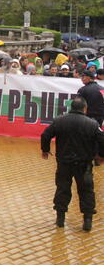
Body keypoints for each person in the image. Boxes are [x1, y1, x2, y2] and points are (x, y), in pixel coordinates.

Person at [41, 97, 104, 231]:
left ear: (71, 107)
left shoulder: (59, 120)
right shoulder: (92, 124)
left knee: (62, 188)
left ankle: (60, 219)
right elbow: (102, 139)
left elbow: (45, 135)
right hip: (84, 164)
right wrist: (101, 156)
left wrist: (45, 150)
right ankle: (87, 221)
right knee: (86, 191)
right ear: (85, 108)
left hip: (64, 162)